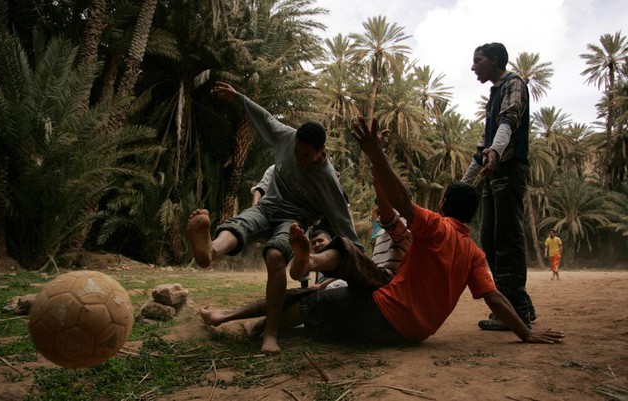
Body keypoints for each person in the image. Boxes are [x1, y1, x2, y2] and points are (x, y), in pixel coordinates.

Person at [200, 116, 565, 347]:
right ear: (470, 218)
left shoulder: (435, 228)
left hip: (381, 314)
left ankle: (257, 310)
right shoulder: (474, 253)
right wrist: (526, 331)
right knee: (330, 290)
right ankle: (291, 282)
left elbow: (401, 202)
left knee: (311, 296)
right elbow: (495, 298)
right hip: (415, 335)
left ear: (441, 208)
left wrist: (376, 154)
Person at [187, 81, 358, 354]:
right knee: (243, 222)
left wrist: (359, 259)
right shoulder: (287, 137)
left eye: (306, 155)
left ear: (320, 151)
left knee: (277, 256)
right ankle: (209, 251)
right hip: (267, 206)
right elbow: (265, 117)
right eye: (297, 153)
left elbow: (343, 222)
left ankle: (271, 333)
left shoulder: (327, 180)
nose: (299, 158)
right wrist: (239, 97)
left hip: (293, 221)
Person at [461, 42, 536, 331]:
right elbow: (483, 148)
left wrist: (496, 149)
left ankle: (516, 311)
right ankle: (519, 306)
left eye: (477, 60)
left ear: (494, 60)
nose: (473, 67)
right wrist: (464, 185)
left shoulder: (513, 83)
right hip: (494, 174)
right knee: (491, 242)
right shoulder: (494, 94)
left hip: (509, 169)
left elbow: (510, 119)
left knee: (507, 239)